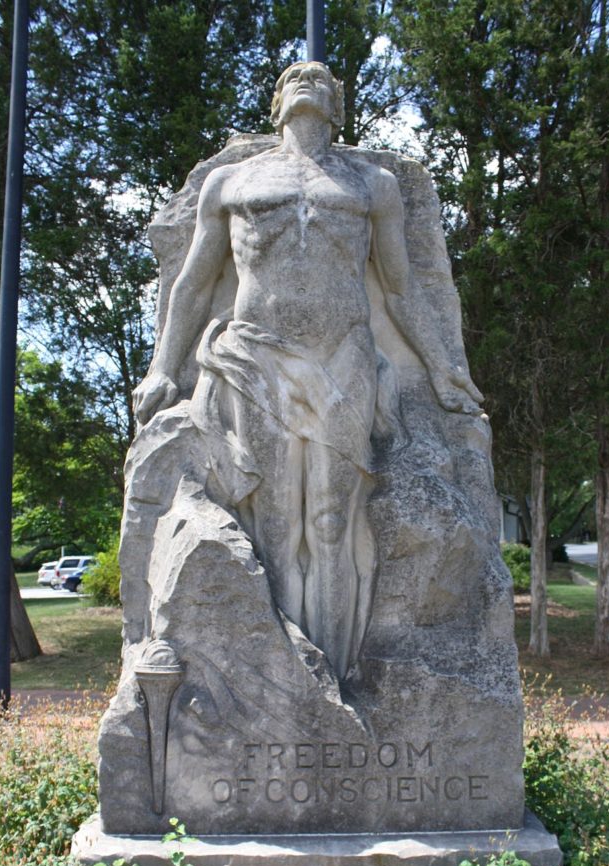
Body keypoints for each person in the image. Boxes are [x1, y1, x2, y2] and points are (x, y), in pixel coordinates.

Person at [133, 61, 483, 681]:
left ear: (338, 106)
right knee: (269, 522)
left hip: (342, 358)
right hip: (254, 357)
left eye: (322, 79)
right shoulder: (231, 183)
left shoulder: (373, 184)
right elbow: (192, 285)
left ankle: (332, 675)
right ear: (276, 104)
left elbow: (401, 292)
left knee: (330, 521)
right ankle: (282, 674)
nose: (307, 80)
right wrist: (165, 367)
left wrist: (445, 367)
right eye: (294, 76)